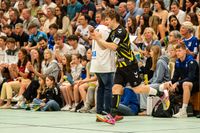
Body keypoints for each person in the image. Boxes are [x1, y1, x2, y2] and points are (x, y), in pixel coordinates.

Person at [162, 43, 199, 118]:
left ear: (185, 51)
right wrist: (170, 83)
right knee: (166, 85)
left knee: (185, 84)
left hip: (195, 84)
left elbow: (191, 77)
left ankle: (183, 111)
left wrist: (177, 83)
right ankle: (166, 109)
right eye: (177, 51)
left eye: (180, 51)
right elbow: (175, 78)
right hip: (183, 83)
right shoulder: (177, 62)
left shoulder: (191, 61)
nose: (178, 53)